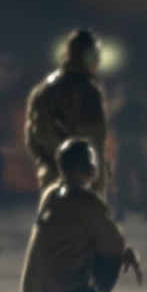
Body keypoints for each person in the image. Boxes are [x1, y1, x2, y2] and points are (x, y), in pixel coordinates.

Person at [18, 139, 141, 292]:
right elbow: (113, 245)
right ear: (89, 167)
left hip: (39, 288)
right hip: (67, 290)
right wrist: (127, 252)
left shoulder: (52, 193)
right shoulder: (86, 202)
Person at [26, 29, 109, 192]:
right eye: (94, 54)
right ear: (86, 55)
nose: (97, 59)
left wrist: (50, 164)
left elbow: (33, 138)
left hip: (50, 178)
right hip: (83, 182)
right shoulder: (87, 90)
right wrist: (97, 181)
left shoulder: (44, 89)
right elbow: (95, 140)